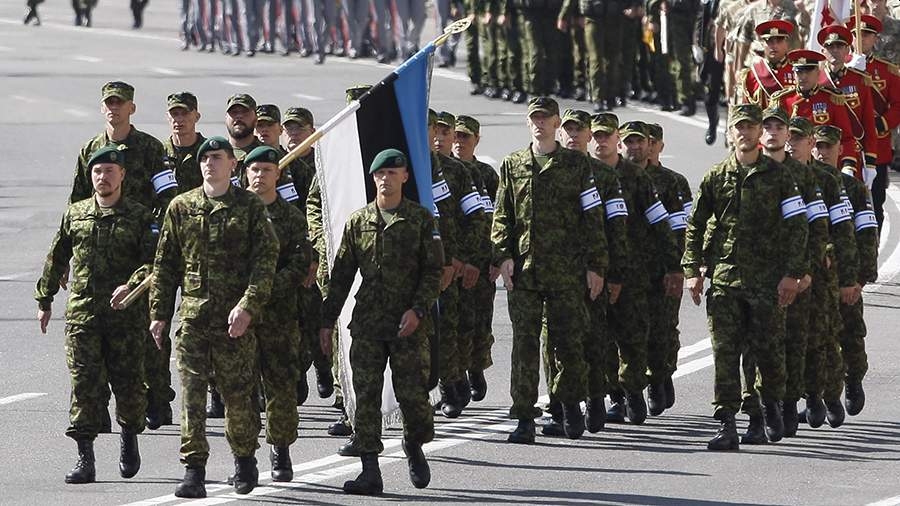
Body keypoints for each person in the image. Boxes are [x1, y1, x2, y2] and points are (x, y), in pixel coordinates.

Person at [149, 136, 279, 498]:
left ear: (232, 165)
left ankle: (244, 461)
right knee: (191, 397)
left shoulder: (250, 208)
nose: (210, 163)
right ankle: (194, 470)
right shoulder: (181, 207)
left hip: (233, 321)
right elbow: (165, 266)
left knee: (238, 396)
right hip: (192, 320)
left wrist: (248, 306)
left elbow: (265, 263)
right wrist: (159, 313)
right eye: (205, 157)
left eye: (217, 157)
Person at [682, 104, 808, 451]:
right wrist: (692, 270)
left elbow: (798, 228)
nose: (746, 133)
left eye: (752, 127)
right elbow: (694, 225)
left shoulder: (781, 176)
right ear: (731, 132)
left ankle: (764, 412)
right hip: (725, 280)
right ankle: (726, 423)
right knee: (725, 353)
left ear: (758, 132)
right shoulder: (716, 176)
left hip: (767, 281)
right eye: (740, 127)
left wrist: (792, 275)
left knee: (765, 353)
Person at [319, 148, 443, 495]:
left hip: (408, 326)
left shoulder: (421, 220)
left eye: (393, 172)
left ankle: (414, 444)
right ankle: (370, 471)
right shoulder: (359, 222)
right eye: (380, 174)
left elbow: (434, 273)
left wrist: (418, 310)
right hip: (369, 324)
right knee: (367, 397)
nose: (386, 178)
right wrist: (327, 321)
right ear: (373, 178)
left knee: (415, 399)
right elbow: (341, 275)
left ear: (405, 177)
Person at [36, 146, 157, 484]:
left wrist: (131, 286)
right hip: (83, 317)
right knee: (84, 386)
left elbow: (153, 264)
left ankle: (129, 438)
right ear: (91, 177)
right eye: (97, 172)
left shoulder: (139, 216)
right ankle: (84, 459)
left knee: (129, 385)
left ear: (122, 176)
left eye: (109, 171)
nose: (103, 178)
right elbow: (57, 255)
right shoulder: (75, 214)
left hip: (125, 318)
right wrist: (44, 297)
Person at [492, 97, 608, 443]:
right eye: (534, 118)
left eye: (546, 118)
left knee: (568, 343)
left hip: (567, 271)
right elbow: (502, 216)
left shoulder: (576, 164)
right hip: (525, 272)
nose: (540, 123)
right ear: (528, 123)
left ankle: (569, 401)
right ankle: (524, 417)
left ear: (557, 123)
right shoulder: (514, 164)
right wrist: (502, 256)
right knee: (524, 346)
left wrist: (596, 266)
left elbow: (593, 218)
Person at [70, 81, 172, 433]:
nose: (114, 109)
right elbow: (78, 204)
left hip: (140, 247)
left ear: (132, 108)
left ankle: (157, 395)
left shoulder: (149, 147)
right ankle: (97, 411)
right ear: (102, 108)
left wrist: (160, 237)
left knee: (145, 331)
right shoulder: (91, 149)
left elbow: (167, 196)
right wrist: (71, 252)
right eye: (109, 104)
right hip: (99, 252)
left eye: (120, 104)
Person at [738, 107, 828, 444]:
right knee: (753, 346)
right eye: (768, 127)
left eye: (780, 127)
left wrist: (804, 271)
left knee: (791, 343)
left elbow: (815, 229)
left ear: (788, 134)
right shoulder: (747, 171)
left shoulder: (803, 177)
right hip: (753, 277)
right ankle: (757, 413)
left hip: (792, 275)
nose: (774, 133)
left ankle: (788, 404)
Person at [542, 109, 629, 436]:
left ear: (589, 135)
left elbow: (615, 229)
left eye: (580, 130)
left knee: (593, 340)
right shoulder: (550, 170)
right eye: (568, 129)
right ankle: (559, 404)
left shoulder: (604, 178)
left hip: (592, 273)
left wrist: (614, 273)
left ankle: (594, 396)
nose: (573, 136)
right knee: (552, 342)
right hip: (555, 273)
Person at [591, 116, 681, 424]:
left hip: (637, 271)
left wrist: (674, 266)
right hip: (597, 269)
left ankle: (634, 392)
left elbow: (663, 224)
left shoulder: (638, 178)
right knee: (600, 338)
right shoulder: (585, 174)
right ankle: (615, 394)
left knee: (633, 335)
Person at [785, 116, 859, 434]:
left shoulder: (831, 181)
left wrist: (851, 275)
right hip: (784, 271)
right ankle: (783, 401)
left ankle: (824, 395)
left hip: (822, 273)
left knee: (821, 338)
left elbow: (846, 232)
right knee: (782, 339)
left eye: (798, 139)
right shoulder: (775, 175)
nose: (791, 145)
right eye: (788, 138)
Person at [244, 145, 311, 481]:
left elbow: (301, 262)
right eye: (254, 170)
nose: (260, 176)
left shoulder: (292, 217)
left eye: (267, 170)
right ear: (245, 175)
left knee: (281, 387)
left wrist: (267, 286)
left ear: (278, 175)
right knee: (241, 389)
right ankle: (246, 458)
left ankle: (281, 452)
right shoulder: (233, 215)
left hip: (280, 315)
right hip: (241, 317)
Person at [812, 125, 879, 423]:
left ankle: (853, 378)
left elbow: (866, 235)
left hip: (846, 275)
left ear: (840, 150)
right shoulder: (799, 184)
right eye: (817, 146)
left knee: (851, 335)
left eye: (828, 146)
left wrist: (861, 278)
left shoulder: (853, 189)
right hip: (814, 279)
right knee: (815, 338)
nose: (821, 152)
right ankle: (821, 394)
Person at [643, 122, 692, 414]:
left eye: (652, 141)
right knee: (630, 330)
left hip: (664, 268)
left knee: (663, 328)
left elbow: (684, 227)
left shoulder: (673, 182)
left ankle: (661, 375)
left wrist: (679, 266)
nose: (645, 147)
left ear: (660, 146)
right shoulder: (620, 177)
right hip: (633, 268)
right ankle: (635, 384)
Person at [452, 115, 499, 402]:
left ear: (476, 140)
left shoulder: (486, 175)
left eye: (465, 137)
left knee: (479, 320)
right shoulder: (443, 170)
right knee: (456, 321)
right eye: (455, 136)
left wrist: (492, 257)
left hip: (479, 261)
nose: (458, 142)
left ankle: (477, 367)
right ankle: (455, 374)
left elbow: (493, 220)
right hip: (452, 261)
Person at [770, 50, 860, 181]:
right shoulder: (782, 101)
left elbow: (846, 137)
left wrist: (848, 165)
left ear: (818, 73)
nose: (803, 77)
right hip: (789, 169)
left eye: (808, 72)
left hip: (823, 169)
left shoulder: (832, 99)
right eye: (799, 72)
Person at [847, 15, 900, 230]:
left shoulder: (887, 71)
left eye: (866, 34)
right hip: (847, 147)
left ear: (875, 38)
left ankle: (872, 249)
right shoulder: (836, 70)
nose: (860, 38)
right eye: (856, 34)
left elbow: (898, 104)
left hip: (876, 146)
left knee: (875, 203)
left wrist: (881, 125)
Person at [817, 24, 879, 189]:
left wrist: (871, 163)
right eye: (830, 46)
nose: (835, 50)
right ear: (823, 51)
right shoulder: (815, 80)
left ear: (847, 50)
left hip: (852, 155)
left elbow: (868, 124)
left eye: (840, 46)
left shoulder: (860, 81)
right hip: (820, 153)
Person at [738, 20, 796, 108]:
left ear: (786, 44)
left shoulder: (797, 71)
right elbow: (745, 111)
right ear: (763, 44)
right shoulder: (751, 75)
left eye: (779, 41)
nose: (774, 46)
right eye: (769, 41)